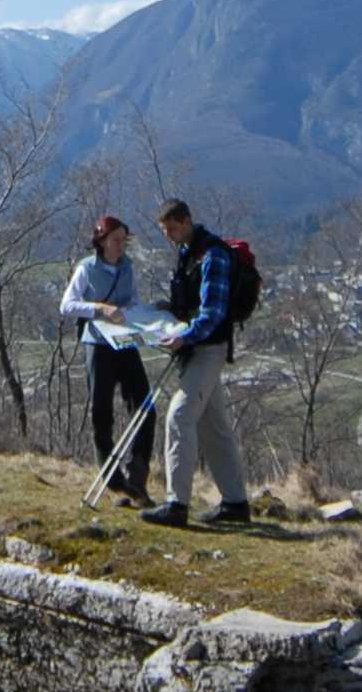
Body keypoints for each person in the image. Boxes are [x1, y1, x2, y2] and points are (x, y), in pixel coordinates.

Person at [143, 197, 250, 528]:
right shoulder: (191, 252)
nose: (169, 236)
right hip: (199, 348)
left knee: (179, 417)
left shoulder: (212, 255)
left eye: (172, 228)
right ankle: (235, 503)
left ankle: (177, 504)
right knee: (213, 427)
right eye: (165, 230)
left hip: (207, 350)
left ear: (187, 221)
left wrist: (185, 337)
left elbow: (213, 313)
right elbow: (189, 303)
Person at [55, 214, 153, 500]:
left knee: (145, 407)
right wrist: (100, 308)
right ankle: (113, 480)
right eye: (116, 240)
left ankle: (138, 477)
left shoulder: (128, 268)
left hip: (124, 341)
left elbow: (132, 299)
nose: (121, 246)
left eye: (124, 240)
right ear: (101, 241)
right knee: (102, 412)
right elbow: (67, 305)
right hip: (97, 344)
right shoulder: (86, 269)